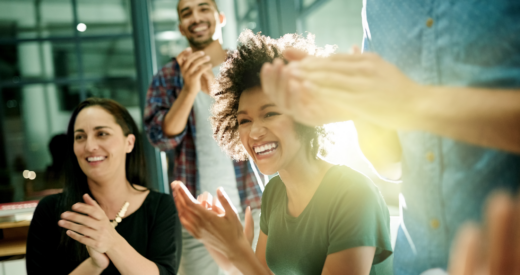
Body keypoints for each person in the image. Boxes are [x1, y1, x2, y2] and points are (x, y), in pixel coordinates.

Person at [259, 1, 520, 274]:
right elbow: (391, 164)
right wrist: (357, 109)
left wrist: (414, 105)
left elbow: (406, 104)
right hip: (415, 264)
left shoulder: (349, 195)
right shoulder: (377, 7)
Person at [172, 30, 393, 275]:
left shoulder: (353, 195)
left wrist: (238, 251)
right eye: (244, 120)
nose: (254, 132)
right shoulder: (274, 194)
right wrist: (221, 247)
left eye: (270, 114)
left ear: (304, 114)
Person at [143, 0, 263, 274]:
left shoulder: (246, 67)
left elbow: (260, 124)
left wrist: (212, 84)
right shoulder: (167, 76)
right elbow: (160, 139)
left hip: (252, 205)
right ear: (180, 26)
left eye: (203, 8)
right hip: (197, 213)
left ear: (219, 17)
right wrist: (189, 89)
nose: (195, 17)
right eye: (187, 12)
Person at [26, 98, 181, 275]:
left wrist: (112, 242)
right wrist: (94, 265)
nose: (90, 146)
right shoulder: (50, 211)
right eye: (80, 137)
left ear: (129, 143)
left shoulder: (161, 207)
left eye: (102, 134)